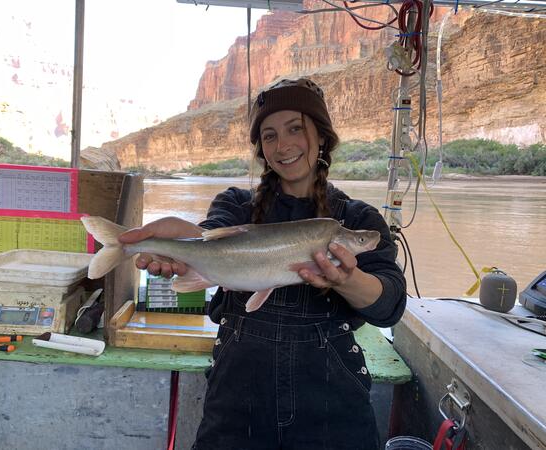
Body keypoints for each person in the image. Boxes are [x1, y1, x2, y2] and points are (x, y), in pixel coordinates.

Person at [119, 78, 407, 450]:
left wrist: (345, 279)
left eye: (295, 129)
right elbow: (209, 235)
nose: (282, 145)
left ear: (321, 137)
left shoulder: (356, 216)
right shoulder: (236, 204)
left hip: (332, 404)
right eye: (269, 136)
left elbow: (390, 305)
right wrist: (181, 242)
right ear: (261, 148)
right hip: (237, 401)